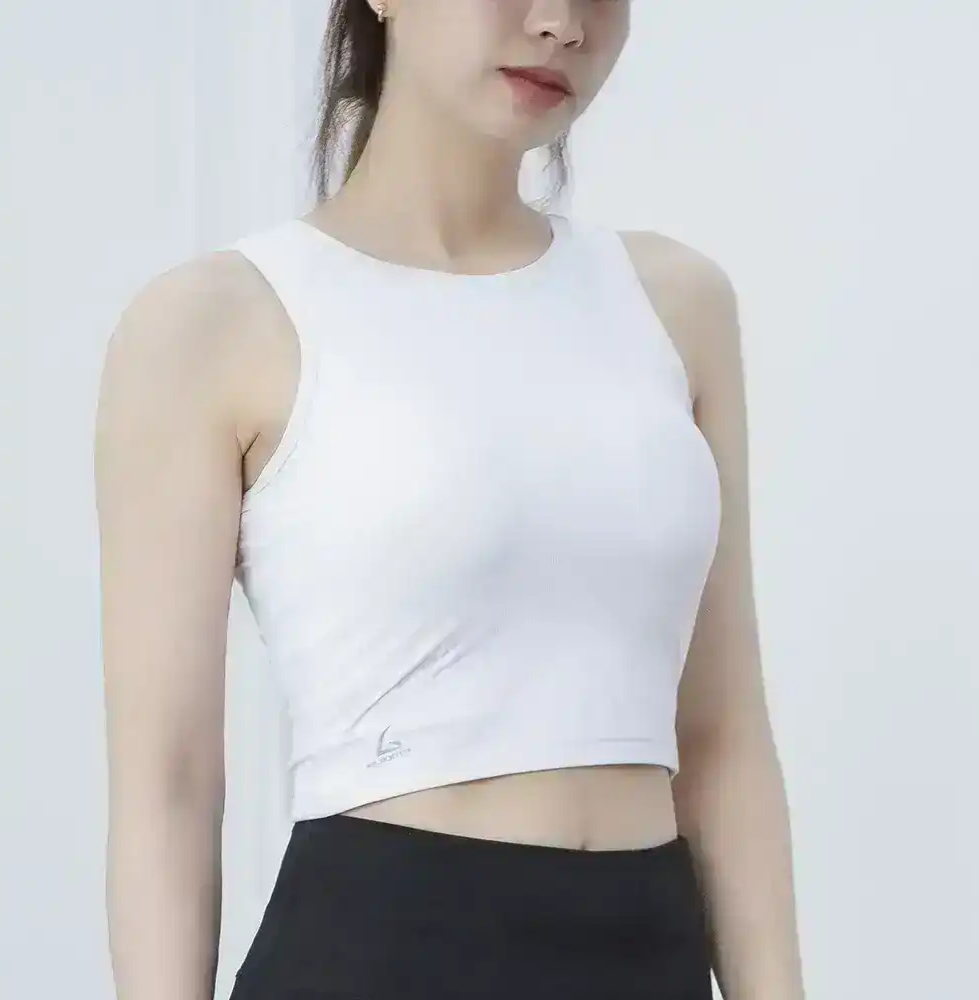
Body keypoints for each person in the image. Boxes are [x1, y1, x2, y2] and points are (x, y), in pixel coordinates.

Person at [95, 1, 805, 998]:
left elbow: (723, 738)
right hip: (379, 956)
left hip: (649, 954)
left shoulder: (674, 303)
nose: (561, 23)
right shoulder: (216, 322)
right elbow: (167, 787)